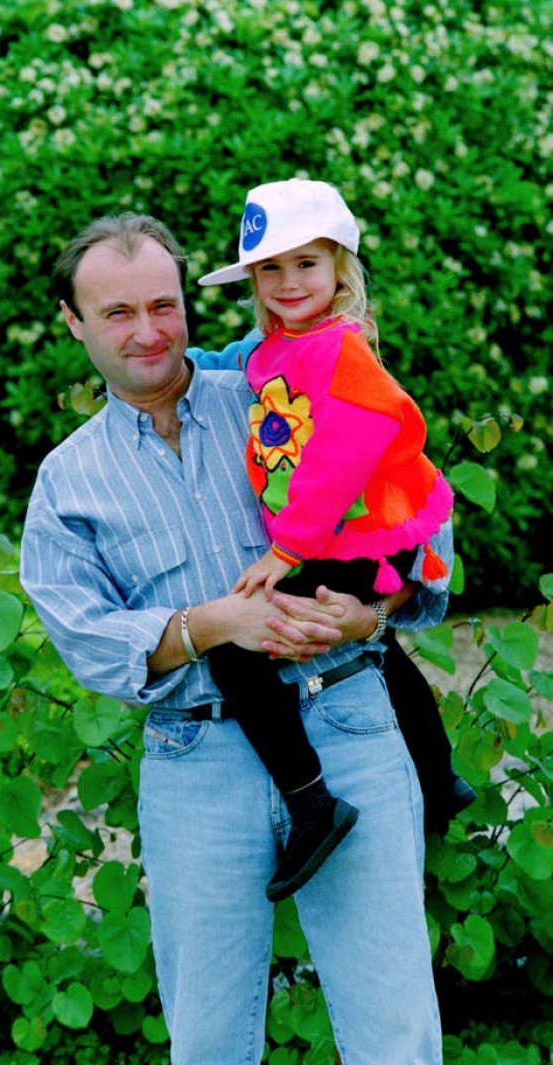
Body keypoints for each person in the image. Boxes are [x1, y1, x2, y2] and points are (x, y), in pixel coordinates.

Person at [20, 211, 453, 1065]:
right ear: (73, 321)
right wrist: (213, 623)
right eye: (117, 314)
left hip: (348, 724)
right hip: (197, 759)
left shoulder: (273, 389)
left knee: (398, 1055)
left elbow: (413, 497)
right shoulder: (69, 481)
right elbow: (89, 637)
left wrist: (371, 607)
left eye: (164, 306)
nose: (148, 333)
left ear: (188, 301)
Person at [190, 177, 474, 901]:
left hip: (354, 532)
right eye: (270, 268)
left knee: (233, 647)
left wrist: (286, 549)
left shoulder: (340, 349)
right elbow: (232, 369)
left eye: (306, 264)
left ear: (340, 270)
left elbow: (344, 449)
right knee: (378, 643)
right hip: (351, 536)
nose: (288, 282)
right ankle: (438, 778)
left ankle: (312, 803)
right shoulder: (284, 346)